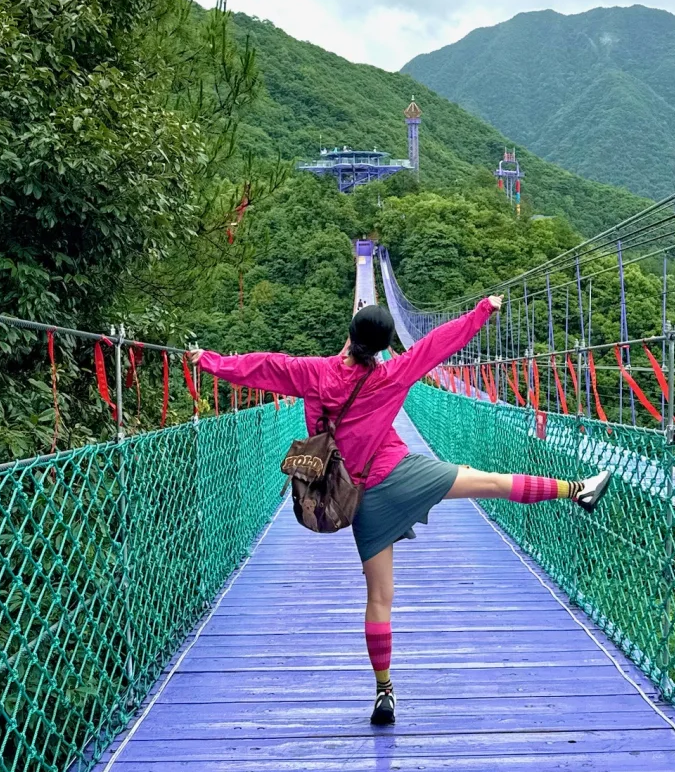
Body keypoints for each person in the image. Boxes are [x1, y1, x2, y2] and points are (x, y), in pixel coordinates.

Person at [191, 295, 610, 726]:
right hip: (402, 474)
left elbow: (263, 366)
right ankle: (576, 489)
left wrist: (209, 361)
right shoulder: (393, 374)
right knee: (488, 482)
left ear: (350, 337)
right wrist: (483, 308)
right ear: (386, 346)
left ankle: (384, 690)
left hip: (359, 496)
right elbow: (440, 343)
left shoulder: (314, 373)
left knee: (379, 599)